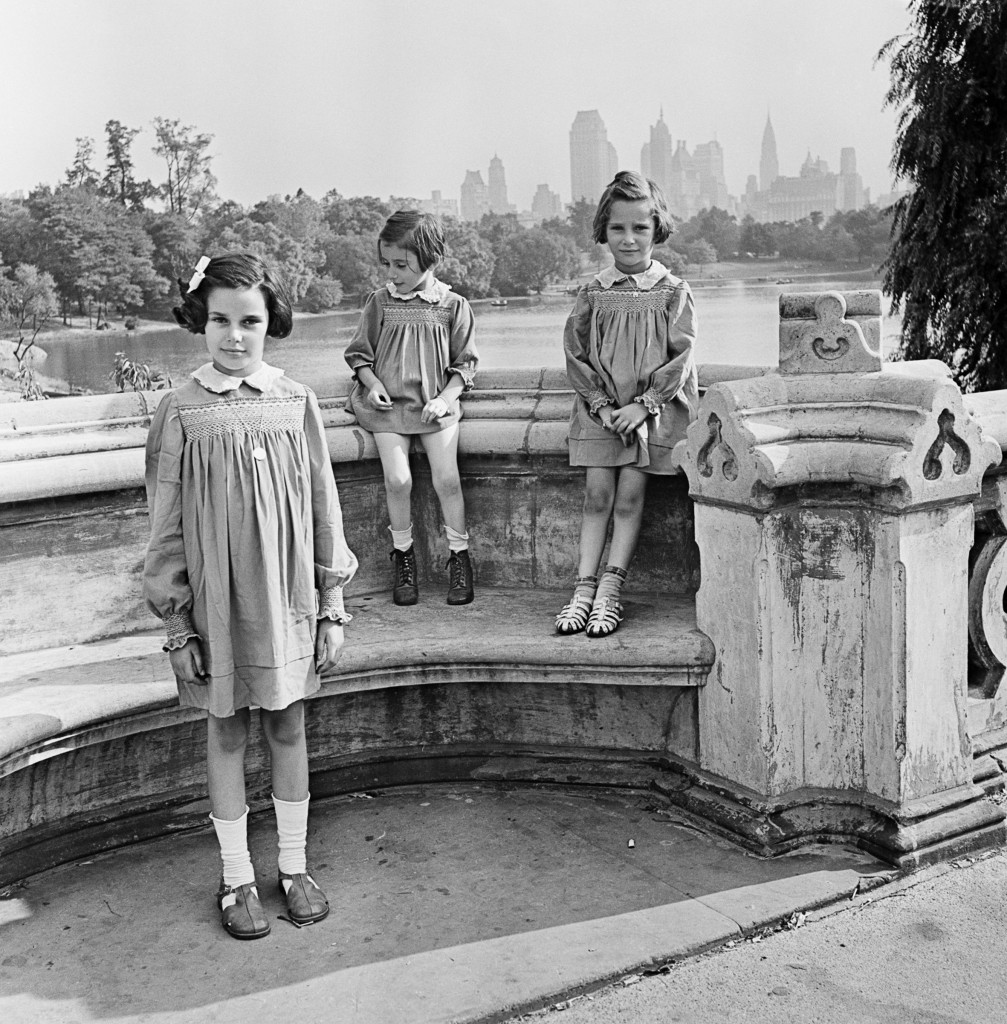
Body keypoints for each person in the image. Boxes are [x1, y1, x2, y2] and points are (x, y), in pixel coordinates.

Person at [143, 253, 358, 940]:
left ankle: (292, 866)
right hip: (216, 607)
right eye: (220, 321)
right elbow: (166, 524)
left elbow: (325, 506)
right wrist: (177, 627)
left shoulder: (294, 403)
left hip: (288, 598)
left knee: (289, 726)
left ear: (271, 325)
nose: (235, 336)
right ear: (200, 324)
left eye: (250, 322)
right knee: (227, 731)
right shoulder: (179, 411)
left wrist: (331, 604)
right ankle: (237, 877)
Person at [557, 171, 698, 638]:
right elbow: (575, 354)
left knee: (630, 496)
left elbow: (682, 356)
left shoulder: (672, 290)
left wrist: (644, 404)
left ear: (657, 228)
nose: (629, 238)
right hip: (601, 410)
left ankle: (610, 592)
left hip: (647, 414)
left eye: (640, 227)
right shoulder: (594, 291)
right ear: (603, 230)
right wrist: (600, 405)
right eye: (618, 228)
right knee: (596, 496)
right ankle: (582, 589)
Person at [344, 210, 479, 606]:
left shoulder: (453, 305)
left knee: (447, 480)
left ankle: (459, 557)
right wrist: (371, 385)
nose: (393, 272)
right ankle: (403, 558)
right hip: (388, 409)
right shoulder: (379, 302)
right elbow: (359, 354)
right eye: (387, 264)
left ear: (431, 259)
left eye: (401, 264)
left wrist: (444, 399)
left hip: (434, 408)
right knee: (399, 481)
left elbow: (465, 366)